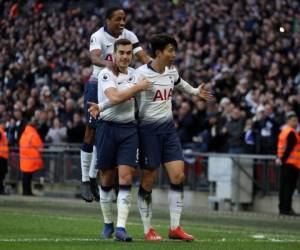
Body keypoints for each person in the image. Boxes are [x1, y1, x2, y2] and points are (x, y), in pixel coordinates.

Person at [90, 34, 213, 241]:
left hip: (168, 131)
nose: (174, 55)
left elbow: (180, 83)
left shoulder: (172, 72)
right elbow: (123, 96)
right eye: (170, 50)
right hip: (146, 131)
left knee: (178, 176)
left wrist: (195, 92)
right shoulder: (139, 75)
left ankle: (175, 228)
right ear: (158, 53)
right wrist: (101, 106)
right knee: (148, 180)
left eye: (174, 50)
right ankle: (148, 230)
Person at [81, 6, 150, 202]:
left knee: (104, 130)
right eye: (118, 19)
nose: (122, 23)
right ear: (107, 20)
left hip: (122, 82)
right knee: (91, 130)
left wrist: (155, 67)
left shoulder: (129, 35)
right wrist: (108, 64)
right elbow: (93, 56)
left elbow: (142, 56)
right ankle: (85, 180)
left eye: (124, 19)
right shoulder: (98, 36)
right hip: (98, 83)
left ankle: (94, 177)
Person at [89, 38, 151, 241]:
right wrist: (137, 88)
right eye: (121, 52)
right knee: (106, 178)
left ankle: (122, 228)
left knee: (126, 177)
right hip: (107, 128)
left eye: (128, 53)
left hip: (129, 130)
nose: (125, 56)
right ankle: (108, 223)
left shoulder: (136, 74)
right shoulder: (106, 74)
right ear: (114, 54)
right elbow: (115, 98)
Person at [277, 111, 300, 216]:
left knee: (284, 186)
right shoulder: (292, 132)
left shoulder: (284, 131)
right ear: (288, 121)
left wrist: (280, 158)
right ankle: (286, 209)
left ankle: (283, 208)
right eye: (293, 120)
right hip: (291, 163)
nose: (295, 123)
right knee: (289, 187)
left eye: (296, 121)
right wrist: (282, 159)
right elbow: (289, 148)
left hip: (286, 163)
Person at [19, 121, 44, 196]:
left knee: (25, 177)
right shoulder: (33, 134)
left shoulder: (24, 134)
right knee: (28, 177)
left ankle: (25, 191)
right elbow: (39, 146)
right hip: (31, 159)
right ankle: (28, 192)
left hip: (24, 159)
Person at [0, 120, 9, 195]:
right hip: (1, 156)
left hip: (3, 156)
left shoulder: (2, 132)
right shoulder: (0, 131)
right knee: (1, 174)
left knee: (2, 174)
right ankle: (1, 189)